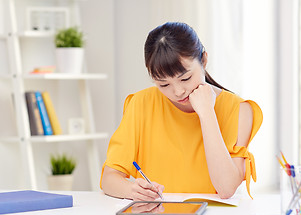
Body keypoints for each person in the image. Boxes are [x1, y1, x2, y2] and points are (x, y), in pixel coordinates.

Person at [100, 22, 263, 201]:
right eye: (164, 84)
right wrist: (132, 190)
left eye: (185, 78)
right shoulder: (141, 104)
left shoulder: (239, 110)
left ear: (204, 60)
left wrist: (207, 113)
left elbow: (226, 188)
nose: (178, 92)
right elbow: (109, 178)